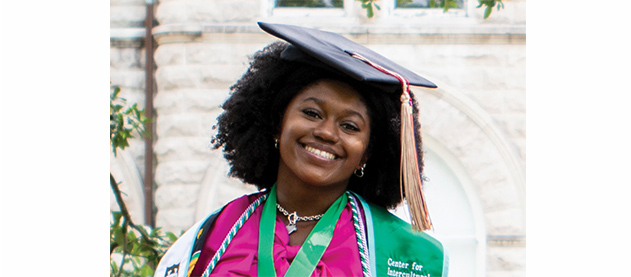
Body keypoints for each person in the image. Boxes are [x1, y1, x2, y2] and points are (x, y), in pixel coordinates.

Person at [155, 22, 448, 277]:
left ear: (368, 153)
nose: (326, 132)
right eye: (311, 113)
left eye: (350, 126)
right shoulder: (215, 234)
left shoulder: (405, 255)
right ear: (276, 123)